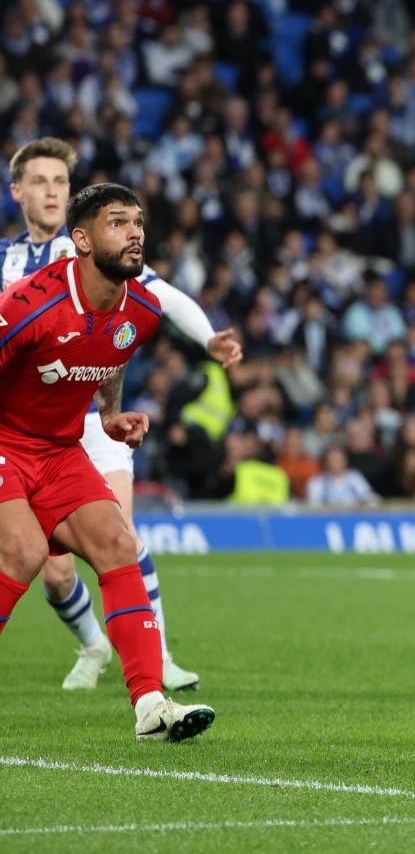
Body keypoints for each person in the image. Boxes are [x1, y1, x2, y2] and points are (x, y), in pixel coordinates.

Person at [4, 138, 242, 692]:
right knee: (46, 564)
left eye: (60, 182)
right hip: (18, 420)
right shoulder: (11, 267)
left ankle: (154, 664)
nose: (52, 191)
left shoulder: (104, 255)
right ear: (17, 192)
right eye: (40, 182)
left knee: (118, 536)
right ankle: (93, 644)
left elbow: (145, 312)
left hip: (87, 411)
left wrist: (208, 339)